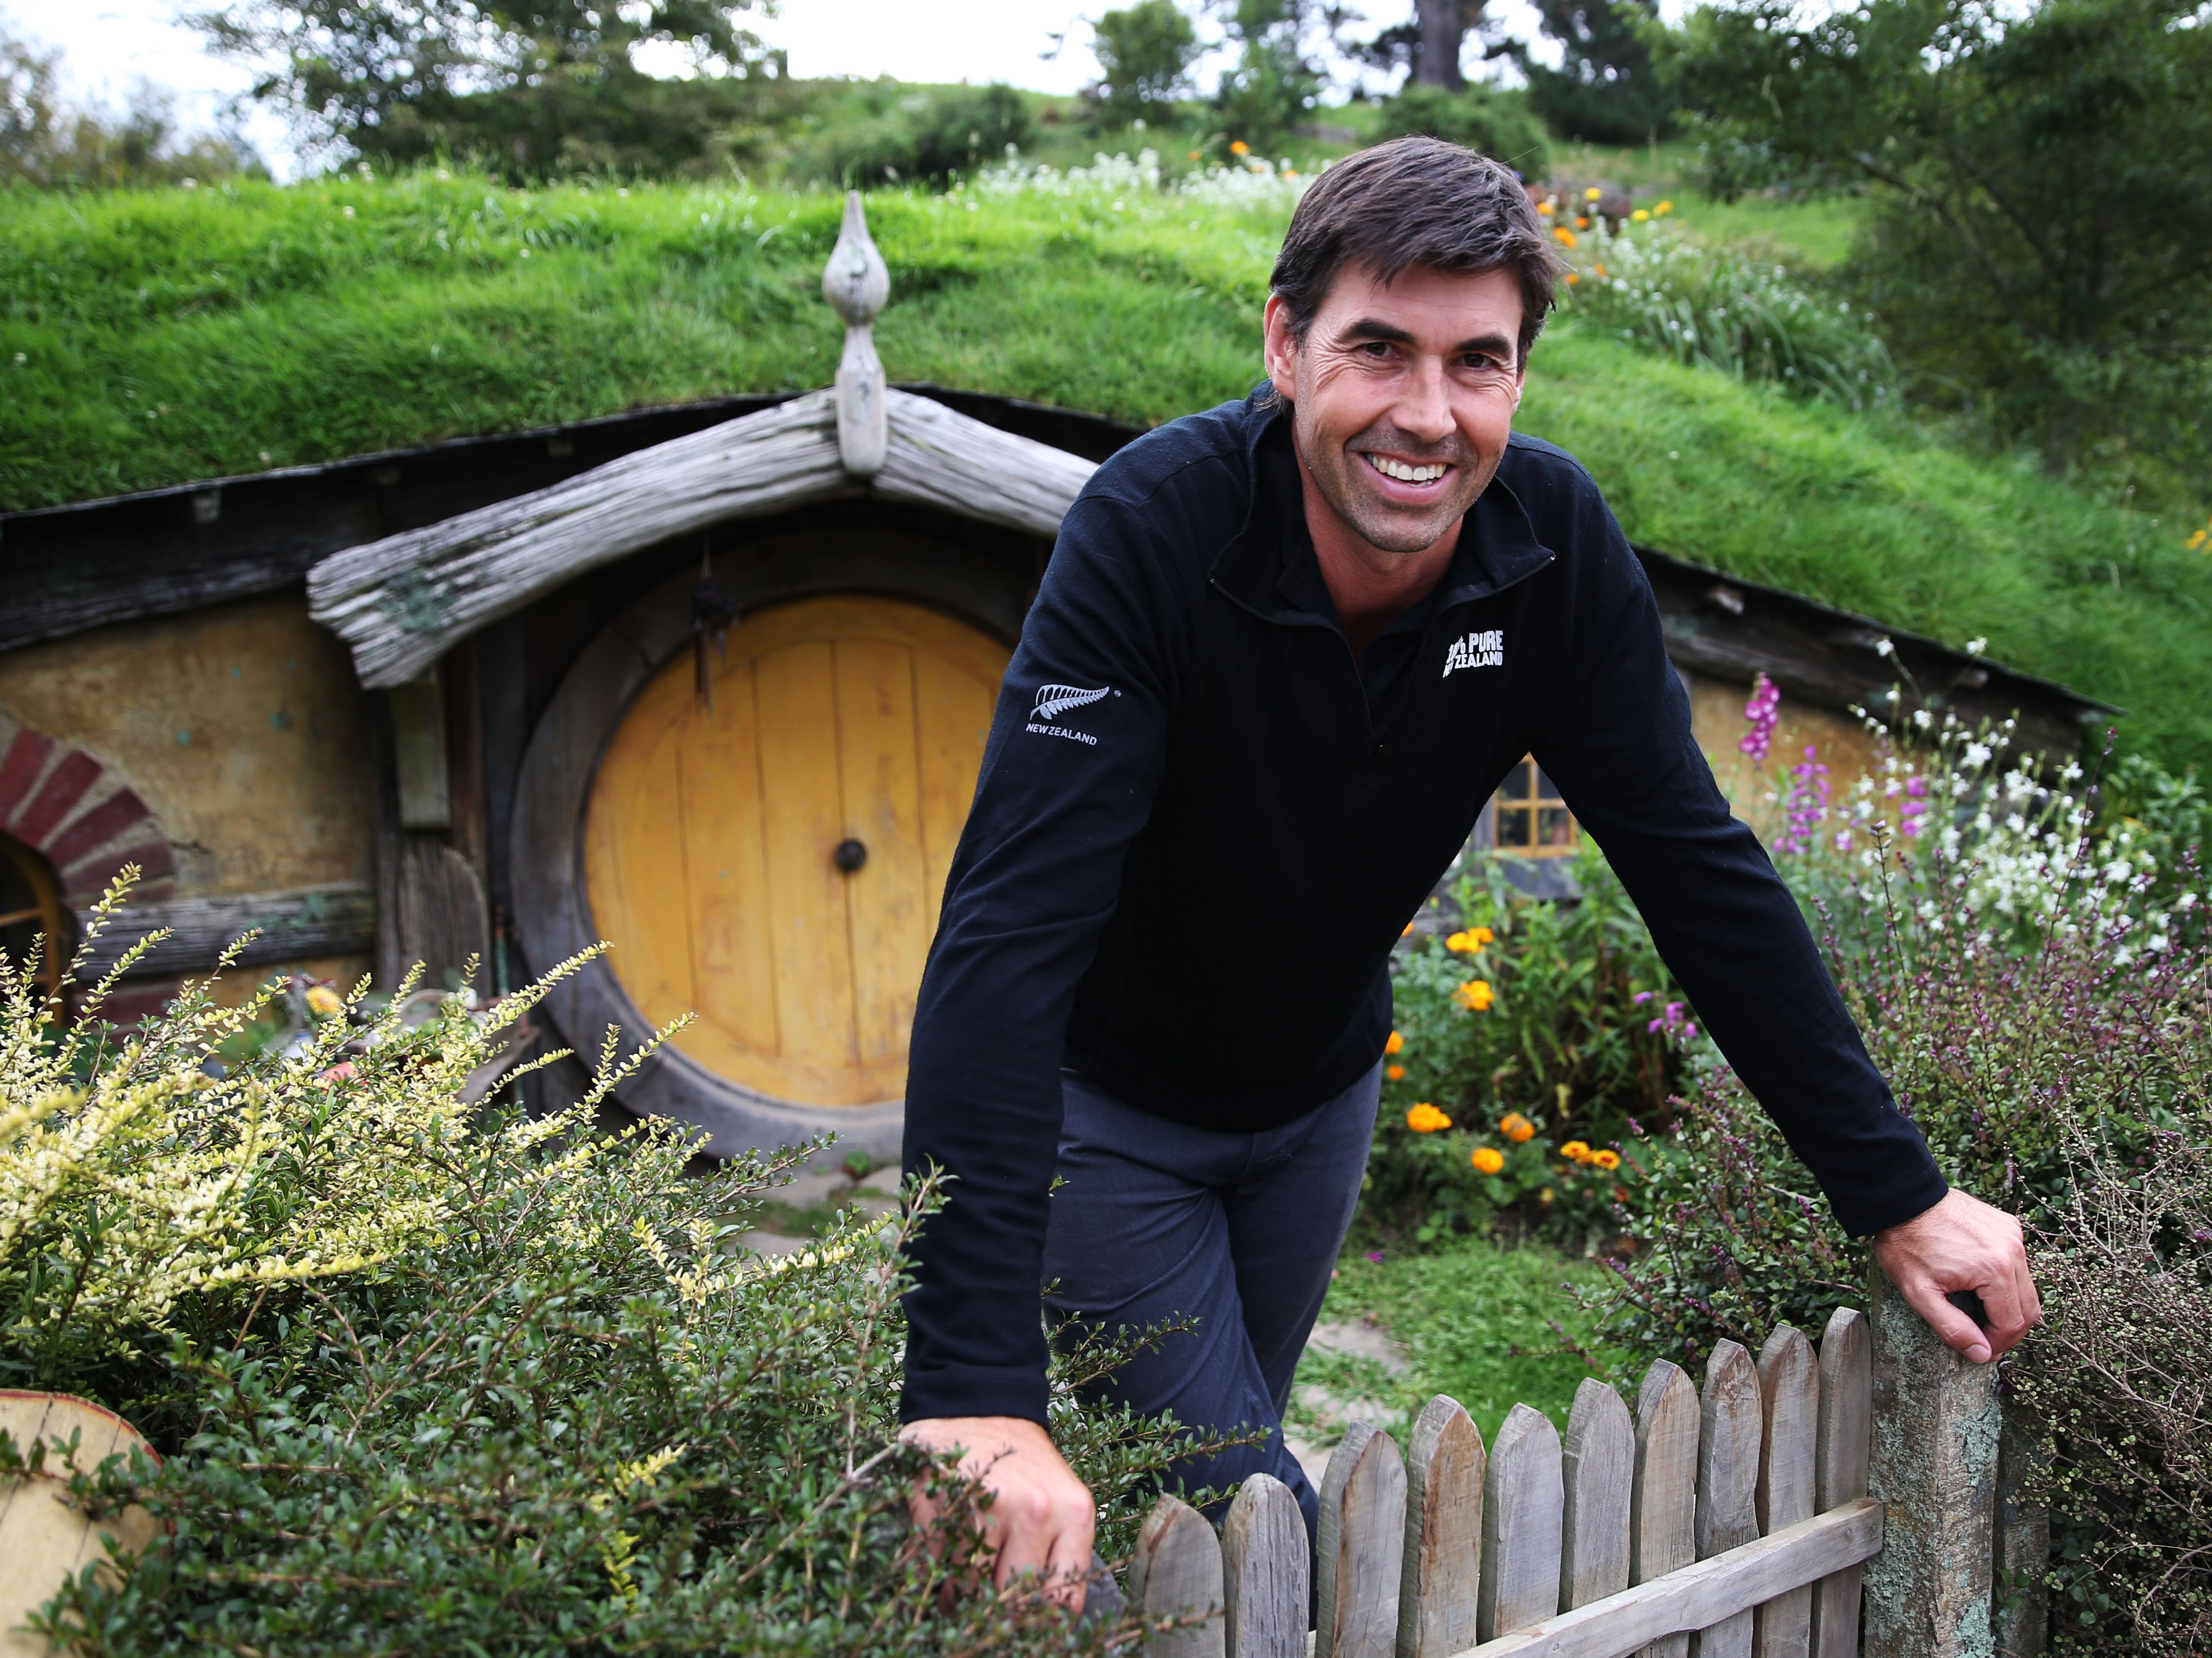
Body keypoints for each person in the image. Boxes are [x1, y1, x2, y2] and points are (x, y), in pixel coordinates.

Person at [895, 136, 2041, 1610]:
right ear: (1283, 344)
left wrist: (1896, 1190)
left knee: (1185, 1523)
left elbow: (1698, 868)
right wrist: (974, 1385)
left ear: (1516, 375)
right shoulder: (1154, 530)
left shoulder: (1547, 545)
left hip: (1317, 1100)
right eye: (1377, 349)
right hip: (1104, 1121)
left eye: (1475, 362)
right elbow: (1005, 936)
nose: (1425, 415)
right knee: (1266, 1528)